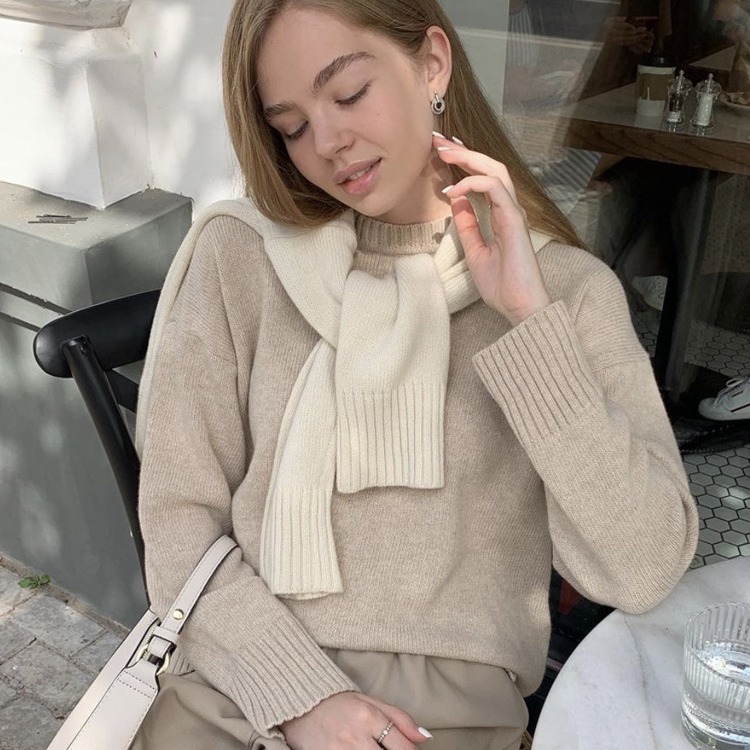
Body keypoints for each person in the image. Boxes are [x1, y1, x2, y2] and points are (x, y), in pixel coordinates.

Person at [131, 1, 699, 748]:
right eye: (292, 126)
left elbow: (642, 569)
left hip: (448, 720)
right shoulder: (240, 259)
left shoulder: (565, 291)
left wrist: (529, 326)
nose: (327, 143)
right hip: (241, 686)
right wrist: (299, 696)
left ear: (432, 63)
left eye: (348, 93)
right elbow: (177, 525)